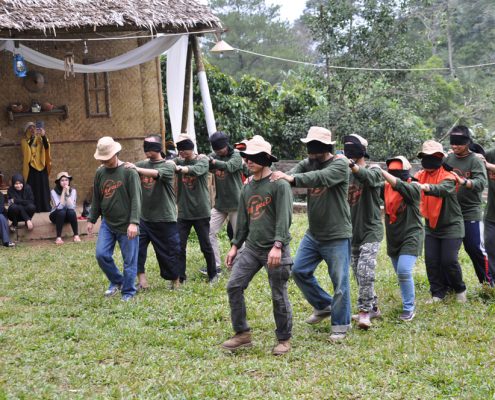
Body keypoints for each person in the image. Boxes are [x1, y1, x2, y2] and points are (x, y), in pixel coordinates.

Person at [271, 126, 352, 342]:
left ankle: (341, 325)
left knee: (340, 282)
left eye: (314, 145)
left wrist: (292, 179)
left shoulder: (340, 165)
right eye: (308, 145)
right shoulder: (309, 162)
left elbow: (319, 177)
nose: (310, 150)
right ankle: (323, 305)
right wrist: (274, 178)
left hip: (337, 234)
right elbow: (291, 174)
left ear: (326, 147)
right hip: (314, 233)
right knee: (299, 271)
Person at [222, 136, 293, 355]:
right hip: (252, 248)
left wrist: (278, 245)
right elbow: (243, 220)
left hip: (275, 248)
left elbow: (284, 217)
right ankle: (242, 334)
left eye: (253, 157)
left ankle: (284, 339)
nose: (248, 161)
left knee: (278, 294)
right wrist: (235, 245)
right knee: (234, 285)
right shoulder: (247, 186)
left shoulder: (279, 184)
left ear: (265, 158)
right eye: (246, 157)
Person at [87, 137, 142, 302]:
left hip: (127, 224)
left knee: (129, 261)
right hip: (108, 223)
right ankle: (118, 281)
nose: (103, 161)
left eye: (107, 158)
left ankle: (128, 292)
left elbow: (137, 199)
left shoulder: (129, 171)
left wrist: (134, 222)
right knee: (101, 255)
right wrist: (91, 218)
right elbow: (97, 197)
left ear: (116, 153)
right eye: (102, 158)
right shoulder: (100, 172)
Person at [124, 135, 181, 290]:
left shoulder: (168, 165)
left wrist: (136, 169)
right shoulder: (142, 164)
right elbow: (126, 169)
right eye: (145, 146)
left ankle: (175, 281)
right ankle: (142, 282)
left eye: (150, 147)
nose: (147, 150)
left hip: (164, 217)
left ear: (159, 148)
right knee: (137, 250)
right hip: (143, 218)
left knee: (169, 252)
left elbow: (156, 173)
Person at [414, 140, 467, 303]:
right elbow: (408, 183)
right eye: (425, 156)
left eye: (433, 156)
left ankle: (459, 289)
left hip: (452, 226)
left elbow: (443, 189)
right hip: (431, 226)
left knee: (449, 261)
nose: (429, 160)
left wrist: (425, 187)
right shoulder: (420, 175)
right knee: (431, 261)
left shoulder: (448, 176)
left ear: (440, 158)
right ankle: (437, 293)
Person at [343, 134, 383, 330]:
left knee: (366, 272)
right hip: (352, 231)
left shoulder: (374, 170)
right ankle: (373, 307)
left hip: (371, 230)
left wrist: (351, 166)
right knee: (358, 274)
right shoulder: (344, 172)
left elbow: (370, 178)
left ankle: (364, 312)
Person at [168, 133, 218, 284]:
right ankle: (181, 277)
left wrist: (179, 168)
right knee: (179, 246)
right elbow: (168, 164)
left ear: (191, 148)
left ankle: (213, 274)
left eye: (184, 150)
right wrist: (169, 163)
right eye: (180, 150)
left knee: (205, 246)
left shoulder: (202, 160)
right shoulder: (179, 160)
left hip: (201, 211)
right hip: (183, 212)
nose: (181, 153)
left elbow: (196, 170)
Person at [380, 156, 423, 321]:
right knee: (400, 273)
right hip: (393, 236)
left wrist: (382, 173)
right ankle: (407, 301)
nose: (394, 175)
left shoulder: (414, 187)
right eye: (392, 171)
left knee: (404, 271)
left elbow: (399, 185)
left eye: (397, 172)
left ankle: (409, 308)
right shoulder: (385, 188)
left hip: (412, 234)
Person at [446, 126, 490, 285]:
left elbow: (481, 183)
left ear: (467, 143)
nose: (454, 146)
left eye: (458, 143)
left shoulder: (475, 160)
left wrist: (464, 181)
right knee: (448, 253)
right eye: (452, 143)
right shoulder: (448, 159)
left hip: (471, 213)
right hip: (451, 213)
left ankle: (488, 283)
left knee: (474, 248)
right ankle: (451, 286)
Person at [205, 131, 244, 275]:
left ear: (226, 145)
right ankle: (215, 266)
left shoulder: (236, 155)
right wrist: (204, 159)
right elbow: (206, 165)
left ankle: (239, 267)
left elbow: (230, 166)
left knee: (238, 236)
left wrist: (213, 162)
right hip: (220, 204)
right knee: (209, 231)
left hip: (237, 203)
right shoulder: (214, 156)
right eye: (215, 150)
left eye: (219, 149)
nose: (218, 152)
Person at [20, 122, 51, 212]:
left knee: (43, 188)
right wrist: (32, 138)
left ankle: (45, 207)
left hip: (42, 167)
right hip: (31, 168)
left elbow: (46, 147)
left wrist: (43, 136)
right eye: (30, 128)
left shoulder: (41, 138)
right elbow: (26, 151)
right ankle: (33, 207)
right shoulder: (24, 141)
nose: (32, 129)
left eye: (34, 127)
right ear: (26, 130)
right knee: (33, 188)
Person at [49, 171, 80, 245]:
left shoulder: (73, 191)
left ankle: (76, 235)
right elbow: (59, 207)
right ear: (58, 182)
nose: (64, 182)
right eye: (62, 180)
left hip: (67, 215)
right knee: (62, 211)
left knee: (71, 212)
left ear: (69, 181)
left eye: (66, 180)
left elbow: (71, 207)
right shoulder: (53, 192)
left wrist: (67, 194)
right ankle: (58, 237)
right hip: (56, 215)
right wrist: (63, 192)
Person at [482, 148, 495, 284]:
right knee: (490, 249)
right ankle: (492, 284)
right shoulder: (490, 154)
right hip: (491, 214)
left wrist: (489, 166)